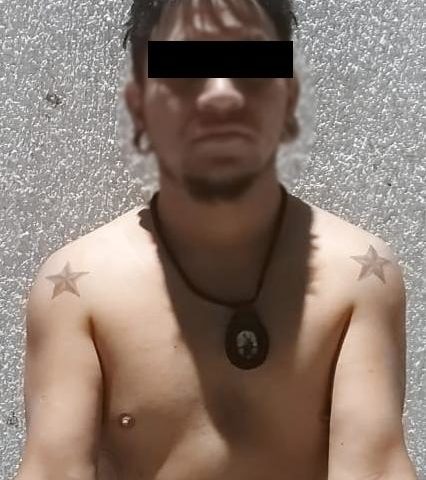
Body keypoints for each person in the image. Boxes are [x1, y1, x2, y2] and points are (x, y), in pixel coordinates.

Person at [15, 0, 418, 479]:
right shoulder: (78, 290)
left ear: (288, 97)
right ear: (140, 104)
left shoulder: (358, 276)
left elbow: (375, 468)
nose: (221, 95)